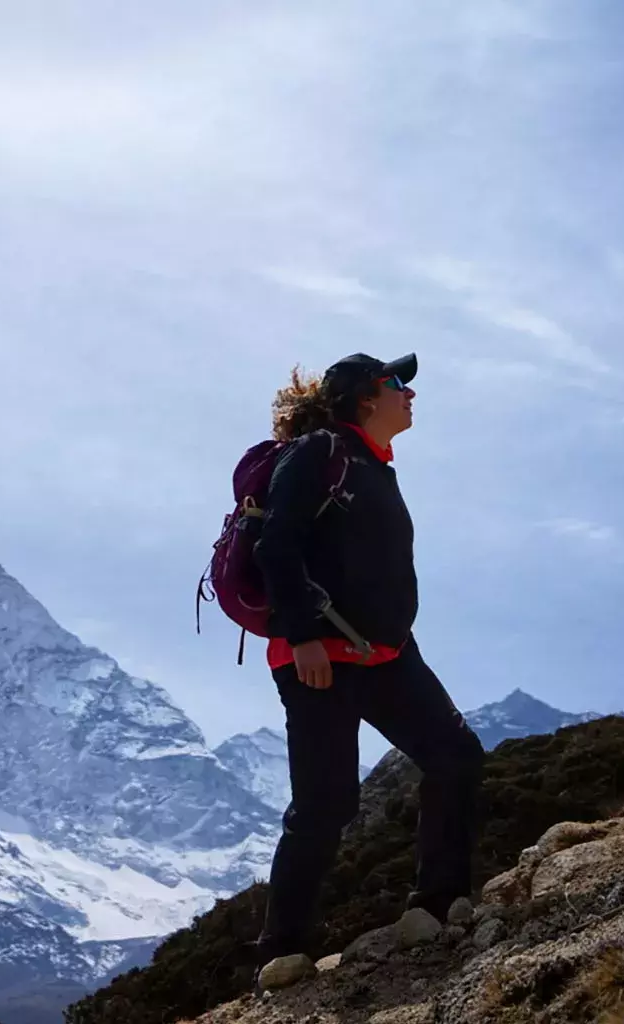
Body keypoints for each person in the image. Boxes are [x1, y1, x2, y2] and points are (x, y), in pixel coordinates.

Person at [250, 352, 485, 974]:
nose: (409, 393)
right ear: (363, 397)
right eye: (395, 384)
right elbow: (277, 541)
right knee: (325, 806)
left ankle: (438, 905)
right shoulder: (320, 452)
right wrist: (301, 637)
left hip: (384, 653)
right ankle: (284, 953)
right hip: (319, 658)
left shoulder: (376, 467)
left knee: (456, 756)